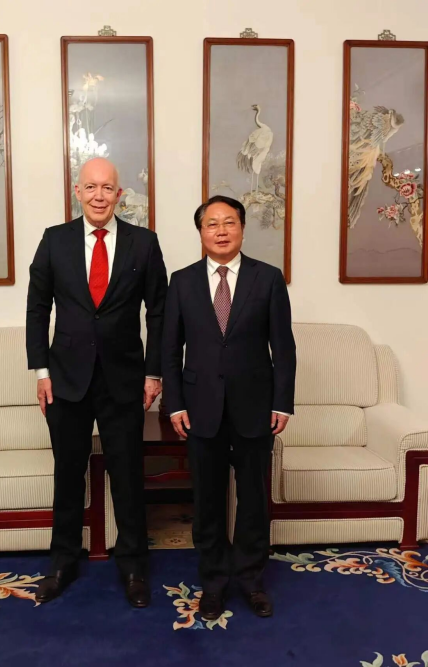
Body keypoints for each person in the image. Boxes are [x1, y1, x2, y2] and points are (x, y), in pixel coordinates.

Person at [26, 158, 167, 606]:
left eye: (108, 188)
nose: (99, 195)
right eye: (91, 187)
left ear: (119, 195)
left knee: (127, 476)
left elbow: (159, 313)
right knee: (68, 475)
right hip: (65, 379)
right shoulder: (54, 240)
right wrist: (41, 372)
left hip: (124, 380)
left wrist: (153, 373)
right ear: (78, 192)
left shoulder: (144, 243)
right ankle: (62, 562)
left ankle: (134, 566)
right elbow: (37, 309)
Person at [162, 195, 296, 620]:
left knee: (253, 499)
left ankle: (252, 581)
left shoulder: (267, 278)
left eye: (229, 222)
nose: (221, 231)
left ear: (242, 228)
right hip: (200, 407)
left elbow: (283, 347)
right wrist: (174, 404)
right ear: (201, 232)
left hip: (256, 406)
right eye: (212, 224)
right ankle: (214, 583)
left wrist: (282, 402)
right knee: (207, 502)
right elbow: (170, 349)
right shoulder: (181, 281)